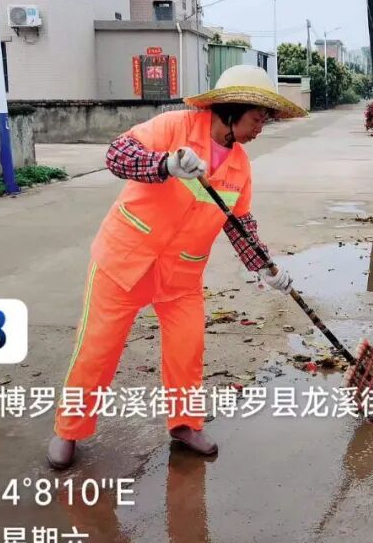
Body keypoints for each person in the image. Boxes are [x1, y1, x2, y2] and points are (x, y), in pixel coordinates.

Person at [47, 65, 307, 467]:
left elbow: (239, 223)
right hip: (124, 260)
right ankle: (70, 429)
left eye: (265, 120)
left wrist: (266, 267)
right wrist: (164, 164)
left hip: (181, 274)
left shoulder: (240, 166)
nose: (261, 128)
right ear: (233, 110)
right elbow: (117, 154)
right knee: (97, 350)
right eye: (258, 119)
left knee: (187, 351)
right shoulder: (174, 127)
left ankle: (185, 424)